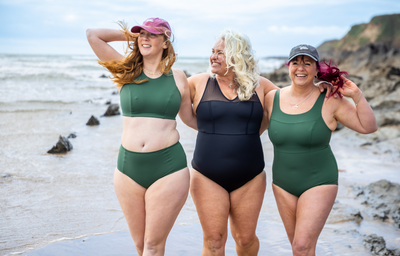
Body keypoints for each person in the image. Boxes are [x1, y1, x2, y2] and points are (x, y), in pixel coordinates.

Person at [86, 18, 196, 256]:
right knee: (139, 246)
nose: (145, 38)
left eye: (152, 35)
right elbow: (93, 34)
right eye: (142, 35)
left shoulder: (178, 78)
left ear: (166, 42)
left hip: (168, 168)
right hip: (127, 169)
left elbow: (190, 119)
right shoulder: (124, 69)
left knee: (153, 247)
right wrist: (132, 36)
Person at [264, 44, 378, 256]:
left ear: (317, 69)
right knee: (300, 249)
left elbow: (368, 127)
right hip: (282, 183)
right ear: (288, 66)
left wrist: (357, 95)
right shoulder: (272, 98)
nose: (301, 68)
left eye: (307, 63)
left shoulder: (330, 99)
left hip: (318, 181)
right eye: (296, 62)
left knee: (302, 247)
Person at [188, 29, 278, 256]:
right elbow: (165, 97)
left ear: (238, 56)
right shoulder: (198, 83)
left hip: (250, 176)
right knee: (214, 241)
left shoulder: (262, 86)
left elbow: (294, 103)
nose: (213, 57)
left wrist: (324, 90)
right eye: (212, 52)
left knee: (245, 240)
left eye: (220, 53)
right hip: (206, 175)